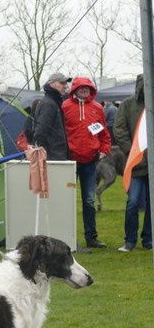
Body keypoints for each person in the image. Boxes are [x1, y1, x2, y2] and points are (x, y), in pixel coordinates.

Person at [62, 77, 111, 249]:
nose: (84, 90)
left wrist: (104, 150)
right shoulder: (65, 107)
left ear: (91, 90)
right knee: (66, 200)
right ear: (74, 89)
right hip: (70, 161)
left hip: (90, 161)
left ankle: (91, 237)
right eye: (81, 87)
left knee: (89, 200)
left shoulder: (97, 108)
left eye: (87, 88)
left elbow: (104, 133)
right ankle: (65, 237)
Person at [113, 74, 151, 251]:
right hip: (136, 163)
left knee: (152, 204)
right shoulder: (128, 105)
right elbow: (119, 129)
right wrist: (131, 151)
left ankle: (148, 238)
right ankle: (130, 240)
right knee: (133, 203)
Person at [32, 73, 71, 160]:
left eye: (65, 83)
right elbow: (41, 131)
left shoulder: (53, 101)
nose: (65, 86)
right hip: (52, 155)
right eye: (61, 83)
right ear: (51, 84)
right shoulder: (49, 103)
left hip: (55, 153)